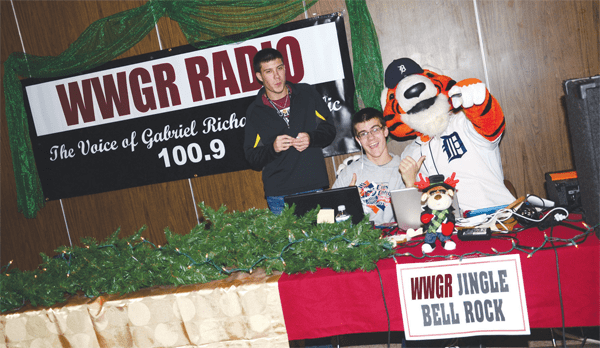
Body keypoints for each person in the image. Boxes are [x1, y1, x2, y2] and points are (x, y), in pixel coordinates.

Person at [244, 48, 336, 214]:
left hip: (315, 186)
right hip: (279, 197)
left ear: (285, 68)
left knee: (327, 238)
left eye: (279, 68)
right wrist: (273, 148)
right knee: (288, 241)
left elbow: (330, 130)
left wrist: (311, 138)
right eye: (269, 71)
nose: (277, 76)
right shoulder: (254, 111)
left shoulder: (306, 93)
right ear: (259, 76)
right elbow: (252, 157)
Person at [332, 108, 424, 226]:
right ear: (358, 140)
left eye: (375, 129)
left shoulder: (405, 168)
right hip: (359, 239)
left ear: (385, 131)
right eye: (363, 133)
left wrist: (410, 184)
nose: (371, 138)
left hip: (394, 239)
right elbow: (328, 217)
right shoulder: (349, 172)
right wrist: (348, 200)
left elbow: (416, 222)